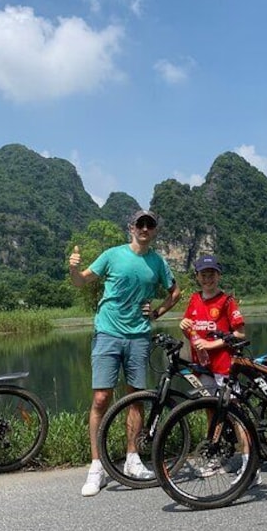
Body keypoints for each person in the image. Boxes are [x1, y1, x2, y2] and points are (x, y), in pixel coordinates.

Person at [69, 209, 181, 497]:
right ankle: (96, 466)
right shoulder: (112, 254)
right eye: (140, 224)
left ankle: (133, 458)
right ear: (131, 227)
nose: (145, 228)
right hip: (107, 333)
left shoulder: (157, 261)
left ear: (154, 230)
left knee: (136, 399)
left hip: (139, 336)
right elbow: (81, 281)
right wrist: (73, 268)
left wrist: (156, 312)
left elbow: (175, 293)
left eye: (150, 225)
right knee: (101, 398)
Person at [178, 255, 258, 485]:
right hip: (203, 367)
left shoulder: (227, 301)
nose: (208, 278)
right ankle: (217, 456)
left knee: (235, 413)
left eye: (212, 273)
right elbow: (192, 334)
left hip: (224, 366)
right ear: (197, 277)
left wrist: (213, 345)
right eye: (204, 274)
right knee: (212, 412)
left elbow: (240, 334)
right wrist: (184, 328)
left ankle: (249, 463)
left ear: (218, 275)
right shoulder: (193, 300)